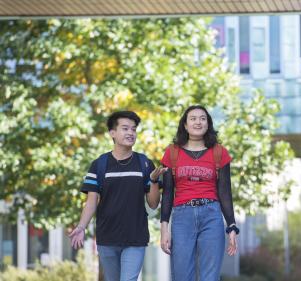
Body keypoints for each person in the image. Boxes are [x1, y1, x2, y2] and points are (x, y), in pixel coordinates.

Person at [69, 111, 166, 281]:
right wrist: (81, 226)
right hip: (107, 238)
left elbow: (153, 203)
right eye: (125, 128)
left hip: (136, 237)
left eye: (134, 129)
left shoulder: (144, 163)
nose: (131, 133)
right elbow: (91, 202)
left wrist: (154, 181)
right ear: (112, 133)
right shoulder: (99, 164)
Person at [160, 105, 238, 281]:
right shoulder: (172, 152)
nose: (198, 122)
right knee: (181, 275)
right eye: (193, 118)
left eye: (203, 118)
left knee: (209, 277)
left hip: (211, 215)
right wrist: (164, 228)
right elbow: (167, 193)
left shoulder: (219, 152)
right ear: (185, 125)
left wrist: (231, 226)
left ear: (208, 124)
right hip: (182, 217)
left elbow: (225, 192)